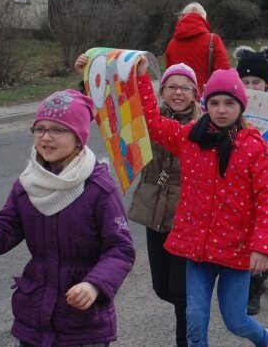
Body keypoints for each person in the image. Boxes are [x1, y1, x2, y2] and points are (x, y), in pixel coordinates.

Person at [0, 90, 136, 347]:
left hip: (83, 324)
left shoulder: (99, 188)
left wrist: (94, 285)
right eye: (39, 129)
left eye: (58, 130)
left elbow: (120, 250)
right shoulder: (27, 185)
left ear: (78, 138)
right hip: (33, 320)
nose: (46, 137)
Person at [135, 65, 268, 347]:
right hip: (197, 249)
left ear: (241, 105)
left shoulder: (255, 147)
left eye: (229, 103)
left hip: (235, 251)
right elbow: (152, 124)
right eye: (214, 102)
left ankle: (266, 338)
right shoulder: (190, 137)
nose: (222, 110)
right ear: (204, 103)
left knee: (235, 321)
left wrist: (262, 247)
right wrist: (143, 78)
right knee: (195, 320)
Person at [83, 59, 199, 347]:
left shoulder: (205, 125)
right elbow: (102, 108)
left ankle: (189, 332)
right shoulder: (143, 119)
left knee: (181, 294)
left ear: (196, 94)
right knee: (162, 288)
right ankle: (194, 306)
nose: (178, 92)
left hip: (187, 218)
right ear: (162, 92)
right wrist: (87, 74)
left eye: (186, 87)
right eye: (172, 86)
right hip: (153, 212)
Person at [233, 46, 268, 316]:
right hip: (238, 185)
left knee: (261, 231)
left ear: (267, 84)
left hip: (266, 182)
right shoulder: (231, 106)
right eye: (245, 82)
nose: (250, 87)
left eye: (255, 82)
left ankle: (254, 284)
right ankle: (249, 277)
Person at [165, 2, 230, 90]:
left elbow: (169, 74)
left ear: (181, 17)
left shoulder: (172, 44)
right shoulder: (213, 40)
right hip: (205, 98)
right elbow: (223, 74)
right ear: (204, 18)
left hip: (179, 98)